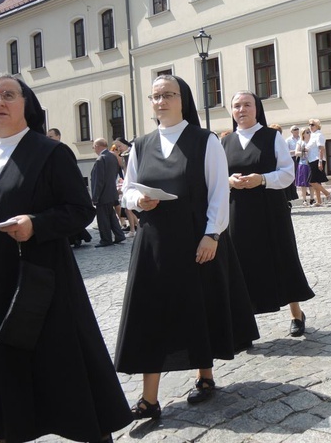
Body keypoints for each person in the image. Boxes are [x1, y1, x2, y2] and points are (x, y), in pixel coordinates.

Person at [0, 74, 132, 442]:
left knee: (57, 366)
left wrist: (36, 224)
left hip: (39, 282)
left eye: (8, 95)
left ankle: (90, 431)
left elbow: (79, 210)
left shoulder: (50, 153)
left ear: (26, 103)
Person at [115, 75, 259, 419]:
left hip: (196, 239)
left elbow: (218, 192)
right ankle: (149, 400)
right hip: (154, 242)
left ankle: (205, 377)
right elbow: (128, 190)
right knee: (151, 315)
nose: (161, 101)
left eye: (168, 95)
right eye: (155, 97)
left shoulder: (203, 140)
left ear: (183, 100)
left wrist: (212, 235)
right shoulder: (141, 144)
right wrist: (139, 199)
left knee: (198, 308)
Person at [223, 90, 315, 336]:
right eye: (237, 106)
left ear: (257, 109)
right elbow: (216, 177)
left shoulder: (271, 137)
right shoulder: (225, 142)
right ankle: (244, 323)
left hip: (270, 210)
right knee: (241, 264)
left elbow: (287, 174)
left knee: (281, 258)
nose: (242, 110)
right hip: (238, 211)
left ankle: (296, 313)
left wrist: (261, 179)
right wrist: (229, 181)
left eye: (247, 105)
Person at [91, 138, 126, 247]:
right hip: (111, 192)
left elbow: (99, 180)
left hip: (103, 194)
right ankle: (119, 235)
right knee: (111, 216)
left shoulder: (101, 159)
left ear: (97, 146)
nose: (94, 149)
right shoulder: (112, 156)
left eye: (93, 147)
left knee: (103, 219)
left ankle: (106, 239)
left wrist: (95, 196)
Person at [307, 119, 331, 206]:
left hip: (317, 159)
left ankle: (327, 193)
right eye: (309, 124)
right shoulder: (313, 135)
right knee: (316, 181)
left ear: (317, 125)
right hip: (311, 160)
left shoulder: (319, 135)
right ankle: (319, 201)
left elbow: (321, 148)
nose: (310, 126)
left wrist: (320, 162)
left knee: (311, 181)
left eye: (312, 124)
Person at [295, 128, 313, 205]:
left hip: (311, 162)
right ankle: (304, 200)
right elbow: (296, 152)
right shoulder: (300, 142)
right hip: (303, 163)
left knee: (312, 182)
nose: (309, 133)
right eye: (307, 132)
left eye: (309, 132)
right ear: (303, 134)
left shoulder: (312, 141)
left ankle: (312, 198)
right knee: (303, 183)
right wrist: (303, 151)